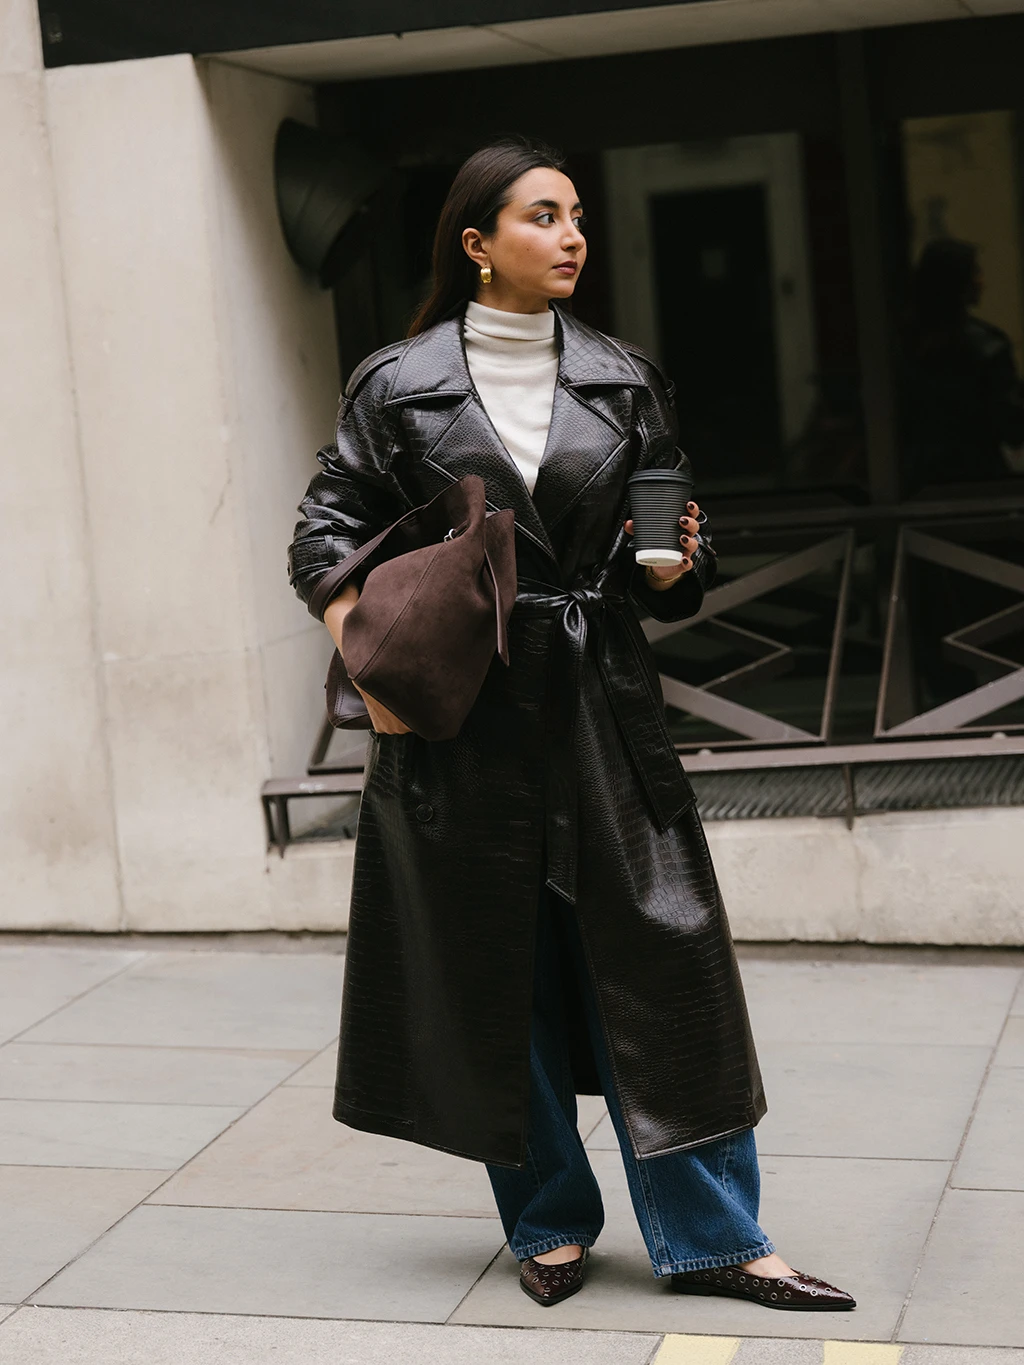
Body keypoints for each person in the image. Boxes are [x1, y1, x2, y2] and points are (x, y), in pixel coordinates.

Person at [288, 136, 854, 1312]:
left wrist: (675, 565)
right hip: (462, 720)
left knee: (668, 967)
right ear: (476, 243)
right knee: (499, 972)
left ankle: (718, 1239)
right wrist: (371, 656)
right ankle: (546, 1221)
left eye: (578, 216)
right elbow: (321, 534)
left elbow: (676, 536)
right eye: (542, 216)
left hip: (602, 702)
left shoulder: (621, 375)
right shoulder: (396, 384)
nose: (571, 236)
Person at [901, 237, 1024, 490]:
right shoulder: (988, 347)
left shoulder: (901, 343)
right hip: (979, 481)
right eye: (975, 272)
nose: (982, 282)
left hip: (915, 482)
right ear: (959, 282)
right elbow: (1012, 429)